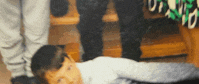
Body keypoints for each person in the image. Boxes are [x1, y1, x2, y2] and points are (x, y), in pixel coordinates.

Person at [31, 45, 199, 84]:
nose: (70, 80)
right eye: (59, 81)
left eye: (69, 68)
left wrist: (194, 70)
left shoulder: (102, 66)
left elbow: (151, 72)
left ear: (72, 60)